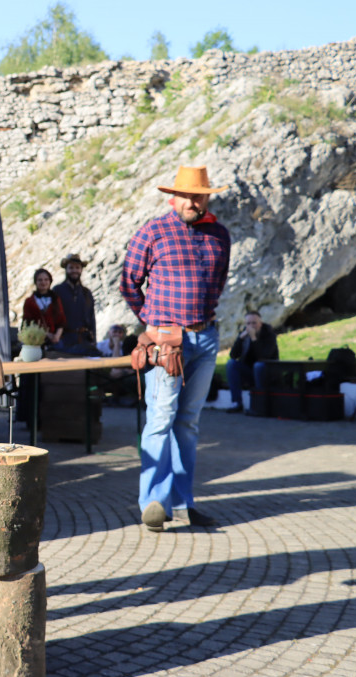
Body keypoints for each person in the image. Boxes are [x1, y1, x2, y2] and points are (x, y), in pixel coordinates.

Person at [120, 165, 230, 532]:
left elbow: (218, 284)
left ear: (207, 197)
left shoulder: (219, 235)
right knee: (161, 419)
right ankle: (153, 502)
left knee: (189, 424)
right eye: (186, 195)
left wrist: (200, 323)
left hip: (205, 337)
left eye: (198, 195)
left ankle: (183, 504)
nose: (192, 201)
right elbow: (129, 283)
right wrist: (151, 322)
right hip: (166, 342)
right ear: (173, 197)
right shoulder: (153, 231)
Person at [225, 310, 279, 413]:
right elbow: (233, 355)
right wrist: (240, 339)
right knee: (231, 364)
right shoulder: (244, 336)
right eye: (248, 323)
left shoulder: (269, 335)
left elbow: (263, 356)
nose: (251, 326)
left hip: (266, 372)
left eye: (254, 323)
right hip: (249, 371)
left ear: (260, 323)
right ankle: (236, 402)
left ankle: (259, 405)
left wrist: (254, 338)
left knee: (258, 366)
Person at [53, 253, 98, 355]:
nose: (74, 270)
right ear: (66, 269)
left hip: (84, 340)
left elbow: (92, 319)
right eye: (71, 267)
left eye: (77, 268)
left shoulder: (86, 292)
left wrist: (94, 339)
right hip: (63, 341)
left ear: (81, 270)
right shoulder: (57, 291)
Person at [22, 267, 65, 347]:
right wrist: (46, 334)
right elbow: (27, 323)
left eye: (46, 279)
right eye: (40, 280)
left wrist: (56, 336)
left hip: (55, 341)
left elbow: (61, 321)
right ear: (36, 282)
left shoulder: (55, 299)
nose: (43, 282)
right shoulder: (29, 301)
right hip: (36, 341)